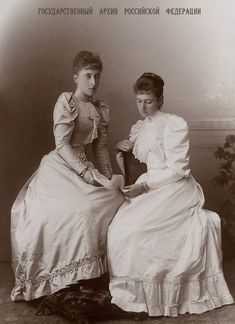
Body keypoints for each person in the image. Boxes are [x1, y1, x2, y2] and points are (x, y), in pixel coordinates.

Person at [107, 72, 234, 317]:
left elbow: (178, 169)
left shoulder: (174, 123)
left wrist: (144, 187)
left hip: (175, 186)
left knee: (139, 230)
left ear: (161, 100)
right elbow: (137, 166)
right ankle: (133, 295)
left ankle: (161, 294)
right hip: (149, 182)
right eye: (139, 101)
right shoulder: (138, 128)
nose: (143, 107)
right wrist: (120, 149)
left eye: (149, 101)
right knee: (120, 229)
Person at [11, 51, 124, 302]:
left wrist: (109, 179)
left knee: (114, 199)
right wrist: (85, 172)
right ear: (76, 77)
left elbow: (101, 149)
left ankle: (95, 274)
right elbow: (62, 145)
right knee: (80, 209)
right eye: (87, 76)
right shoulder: (66, 102)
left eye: (96, 76)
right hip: (60, 167)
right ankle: (72, 277)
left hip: (86, 168)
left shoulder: (100, 108)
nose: (93, 82)